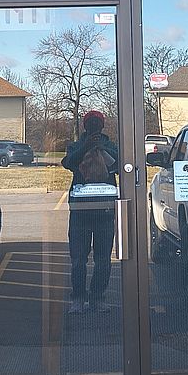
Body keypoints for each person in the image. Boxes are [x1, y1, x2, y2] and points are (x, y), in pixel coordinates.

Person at [61, 110, 118, 314]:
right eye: (90, 123)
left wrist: (101, 148)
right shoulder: (76, 145)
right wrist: (86, 147)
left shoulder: (111, 146)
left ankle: (97, 298)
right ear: (85, 126)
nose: (94, 126)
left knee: (103, 260)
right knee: (78, 259)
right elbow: (68, 163)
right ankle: (78, 298)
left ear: (102, 126)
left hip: (104, 210)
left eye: (97, 123)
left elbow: (119, 165)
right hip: (80, 210)